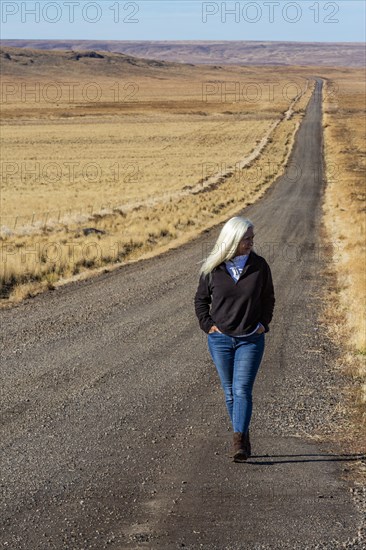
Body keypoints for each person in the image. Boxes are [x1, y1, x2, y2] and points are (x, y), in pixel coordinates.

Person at [194, 216, 275, 462]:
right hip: (220, 340)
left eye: (252, 238)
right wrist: (208, 326)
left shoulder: (259, 266)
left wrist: (263, 324)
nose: (251, 242)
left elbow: (268, 299)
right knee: (229, 391)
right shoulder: (212, 268)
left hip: (250, 338)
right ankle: (242, 431)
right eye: (246, 239)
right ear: (232, 240)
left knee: (241, 390)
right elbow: (201, 301)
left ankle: (238, 439)